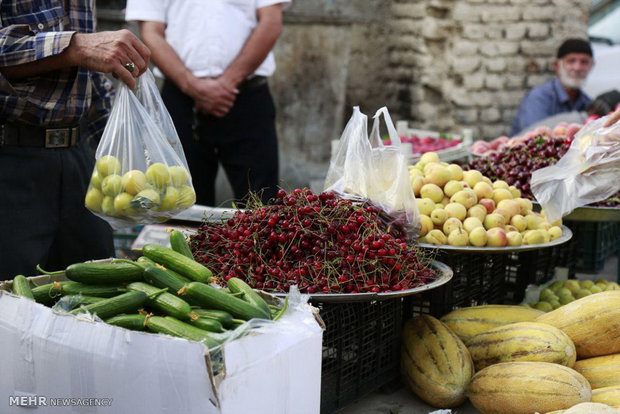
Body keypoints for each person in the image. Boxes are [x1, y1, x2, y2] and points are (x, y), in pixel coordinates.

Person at [0, 0, 151, 280]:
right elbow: (81, 53)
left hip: (77, 160)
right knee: (11, 303)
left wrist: (132, 157)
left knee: (99, 291)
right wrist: (75, 48)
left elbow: (87, 81)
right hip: (11, 162)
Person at [125, 0, 290, 207]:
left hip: (247, 98)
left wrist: (226, 83)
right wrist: (191, 85)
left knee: (261, 206)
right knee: (180, 204)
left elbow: (271, 22)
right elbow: (151, 32)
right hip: (181, 100)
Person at [510, 38, 594, 136]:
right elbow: (535, 138)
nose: (577, 68)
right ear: (557, 66)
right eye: (571, 61)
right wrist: (586, 115)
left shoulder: (587, 102)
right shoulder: (538, 98)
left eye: (584, 62)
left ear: (591, 66)